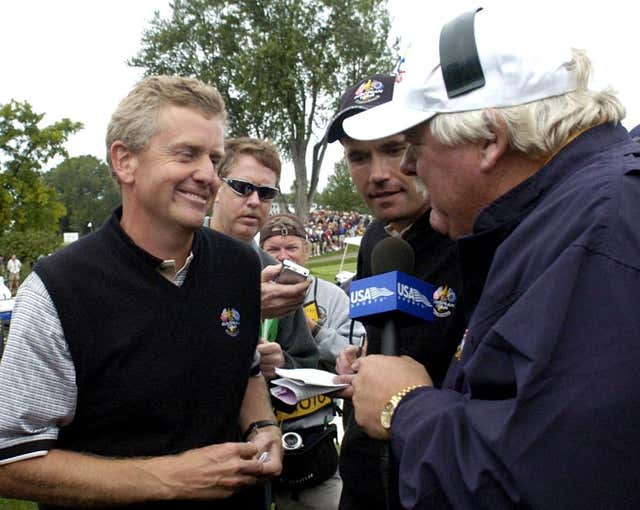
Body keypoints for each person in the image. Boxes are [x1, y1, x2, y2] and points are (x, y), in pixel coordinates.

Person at [340, 7, 640, 509]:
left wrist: (404, 407)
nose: (407, 167)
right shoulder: (575, 215)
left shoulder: (602, 229)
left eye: (414, 144)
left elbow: (547, 481)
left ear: (489, 141)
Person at [0, 75, 282, 509]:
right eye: (187, 154)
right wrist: (169, 478)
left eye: (214, 158)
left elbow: (243, 370)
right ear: (124, 161)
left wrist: (262, 425)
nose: (208, 175)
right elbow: (12, 458)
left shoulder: (241, 266)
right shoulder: (58, 290)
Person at [325, 74, 466, 510]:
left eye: (393, 149)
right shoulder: (374, 241)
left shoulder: (468, 234)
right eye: (359, 157)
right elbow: (383, 332)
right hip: (365, 474)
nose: (380, 174)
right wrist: (360, 360)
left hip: (440, 476)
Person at [259, 213, 367, 510]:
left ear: (306, 250)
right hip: (259, 435)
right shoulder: (248, 289)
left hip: (314, 436)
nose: (283, 257)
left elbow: (357, 353)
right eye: (273, 249)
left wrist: (315, 331)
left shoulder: (332, 296)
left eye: (291, 248)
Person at [207, 137, 319, 377]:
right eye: (242, 187)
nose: (255, 201)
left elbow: (308, 360)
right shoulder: (178, 252)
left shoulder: (276, 272)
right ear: (217, 188)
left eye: (266, 193)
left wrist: (282, 365)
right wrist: (249, 307)